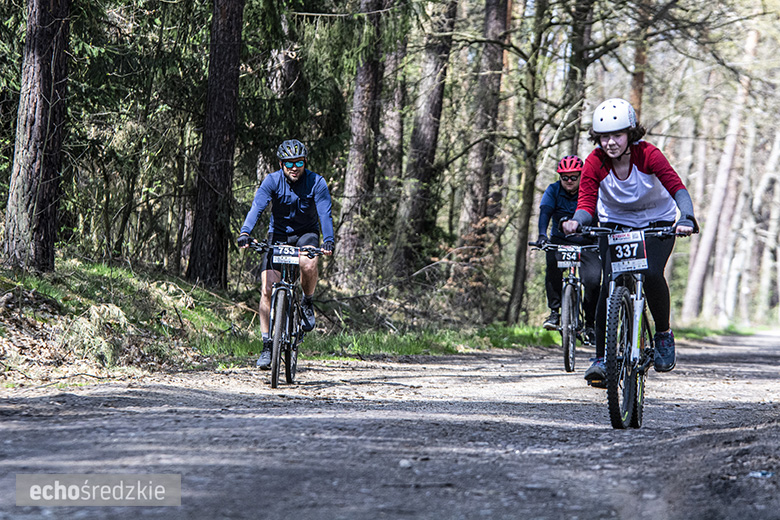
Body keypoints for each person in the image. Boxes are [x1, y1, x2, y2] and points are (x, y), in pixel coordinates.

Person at [562, 98, 697, 383]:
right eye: (604, 137)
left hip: (656, 222)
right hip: (615, 224)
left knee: (650, 272)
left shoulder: (648, 155)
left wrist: (685, 217)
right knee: (609, 283)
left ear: (630, 134)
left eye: (617, 135)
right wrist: (577, 221)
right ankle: (601, 358)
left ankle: (662, 334)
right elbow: (587, 204)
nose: (610, 142)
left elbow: (677, 188)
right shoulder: (595, 162)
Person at [237, 139, 334, 369]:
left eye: (299, 162)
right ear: (281, 164)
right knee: (267, 289)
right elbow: (257, 207)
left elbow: (325, 214)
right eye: (289, 163)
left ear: (305, 162)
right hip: (278, 235)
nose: (294, 167)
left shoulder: (316, 182)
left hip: (306, 234)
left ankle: (307, 301)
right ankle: (267, 345)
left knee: (308, 265)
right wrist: (245, 232)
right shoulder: (272, 181)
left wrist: (328, 240)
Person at [537, 155, 601, 344]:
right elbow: (545, 213)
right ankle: (555, 313)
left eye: (574, 177)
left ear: (581, 176)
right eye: (565, 177)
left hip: (587, 243)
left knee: (593, 281)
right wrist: (542, 235)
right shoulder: (553, 190)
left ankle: (590, 324)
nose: (569, 181)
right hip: (561, 241)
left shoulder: (590, 191)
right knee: (552, 268)